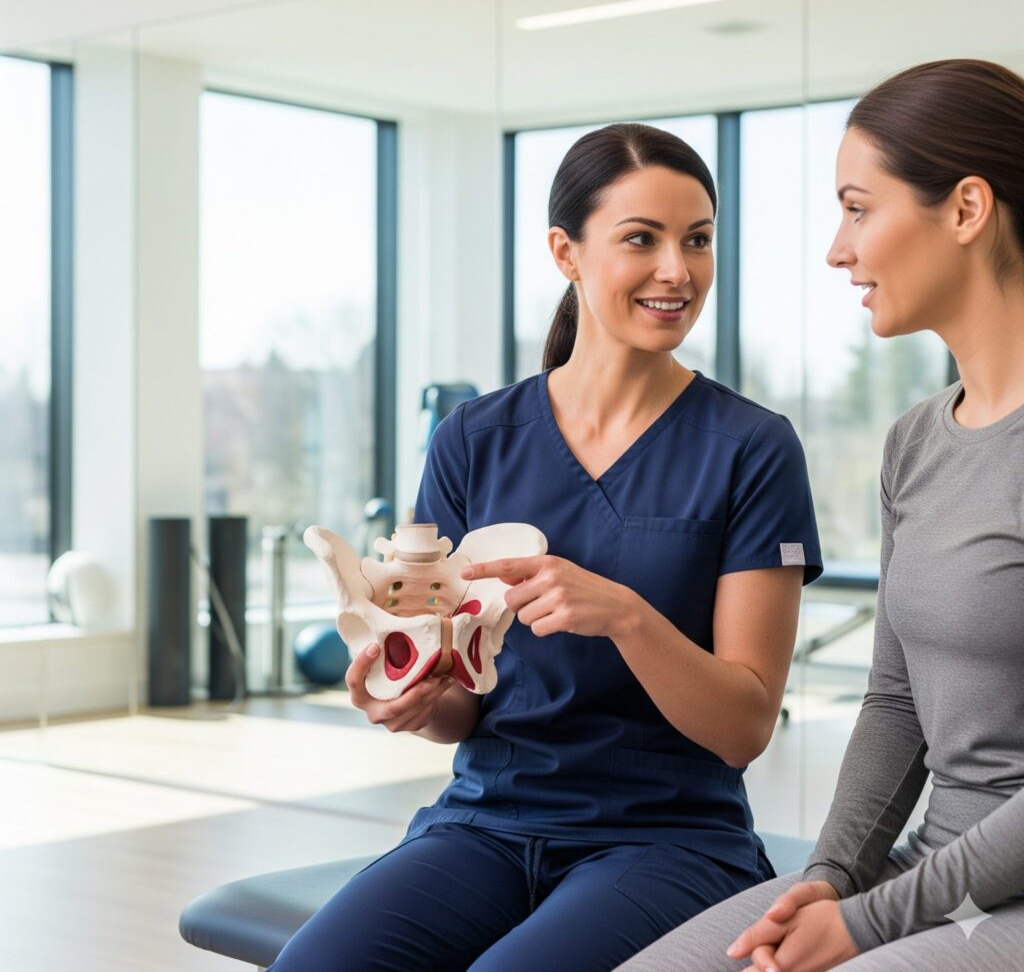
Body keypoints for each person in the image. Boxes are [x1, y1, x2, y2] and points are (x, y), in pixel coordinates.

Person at [269, 123, 822, 972]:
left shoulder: (751, 447)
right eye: (642, 239)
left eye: (698, 240)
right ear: (566, 252)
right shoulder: (474, 438)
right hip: (485, 822)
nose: (678, 270)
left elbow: (745, 728)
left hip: (667, 839)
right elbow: (465, 707)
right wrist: (415, 700)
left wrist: (629, 618)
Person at [616, 59, 1024, 972]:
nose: (838, 251)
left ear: (965, 209)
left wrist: (869, 925)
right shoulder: (917, 442)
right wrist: (833, 879)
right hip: (927, 875)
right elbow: (894, 701)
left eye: (858, 208)